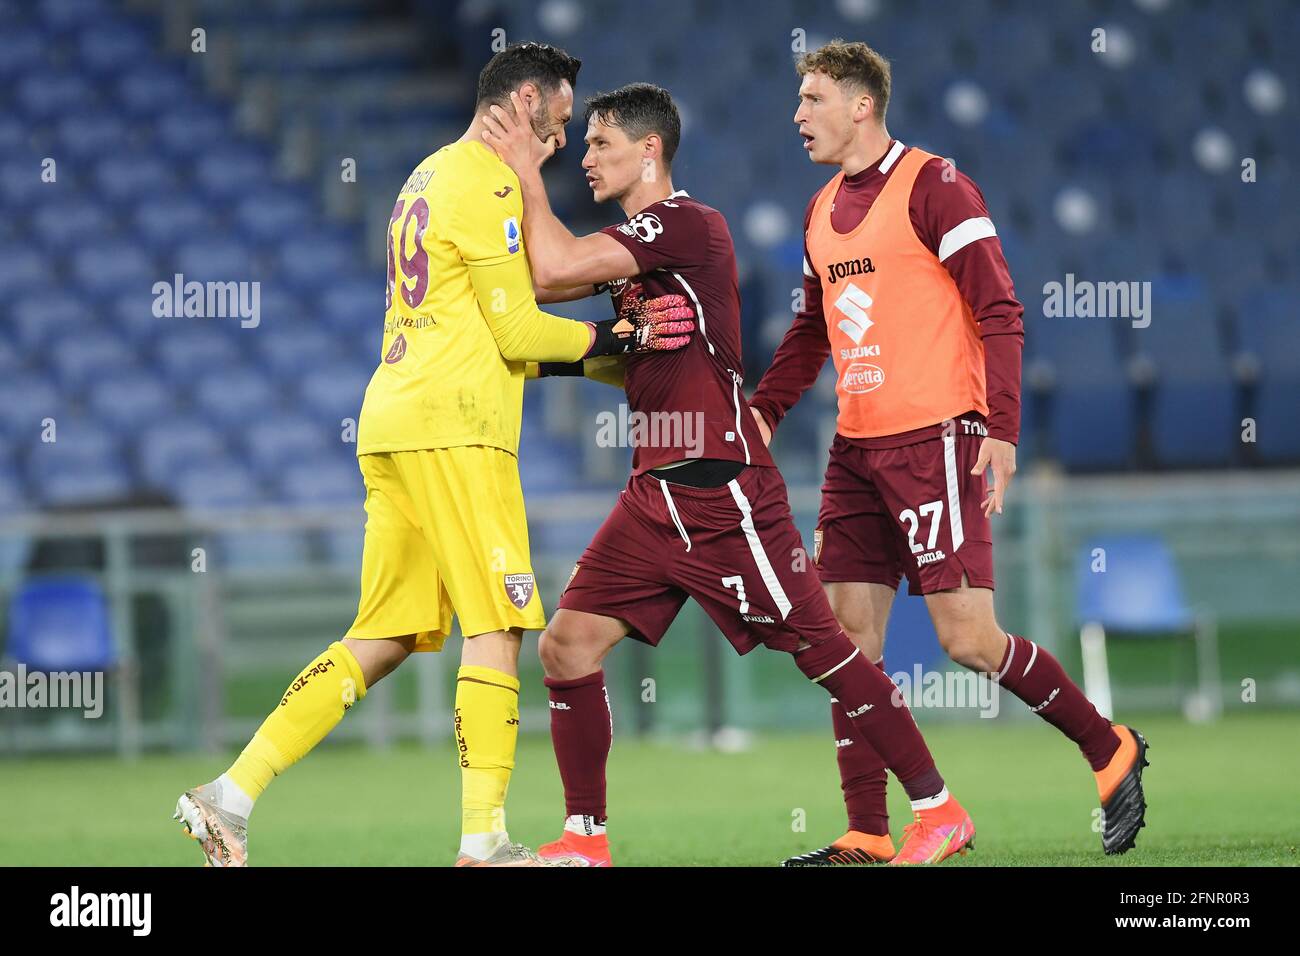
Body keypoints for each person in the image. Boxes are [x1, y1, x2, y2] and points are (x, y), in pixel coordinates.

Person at [172, 43, 694, 868]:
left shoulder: (425, 176)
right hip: (458, 430)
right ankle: (483, 842)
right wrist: (621, 335)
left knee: (380, 636)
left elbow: (496, 329)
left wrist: (610, 361)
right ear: (524, 103)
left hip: (392, 422)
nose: (560, 143)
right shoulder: (488, 184)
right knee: (499, 624)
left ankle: (228, 796)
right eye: (558, 123)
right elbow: (519, 331)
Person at [483, 81, 975, 867]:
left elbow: (548, 271)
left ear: (649, 150)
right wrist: (601, 344)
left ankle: (938, 807)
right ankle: (585, 841)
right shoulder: (640, 255)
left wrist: (522, 169)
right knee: (566, 646)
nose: (587, 156)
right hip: (654, 497)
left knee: (831, 654)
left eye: (599, 143)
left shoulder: (686, 225)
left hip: (721, 491)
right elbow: (619, 340)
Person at [748, 39, 1148, 864]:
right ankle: (867, 830)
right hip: (855, 452)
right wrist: (762, 413)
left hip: (939, 441)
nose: (798, 115)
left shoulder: (935, 185)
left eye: (813, 99)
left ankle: (1108, 745)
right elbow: (811, 330)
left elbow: (1000, 309)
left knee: (968, 639)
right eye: (798, 100)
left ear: (862, 104)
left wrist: (1000, 428)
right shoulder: (820, 209)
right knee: (844, 646)